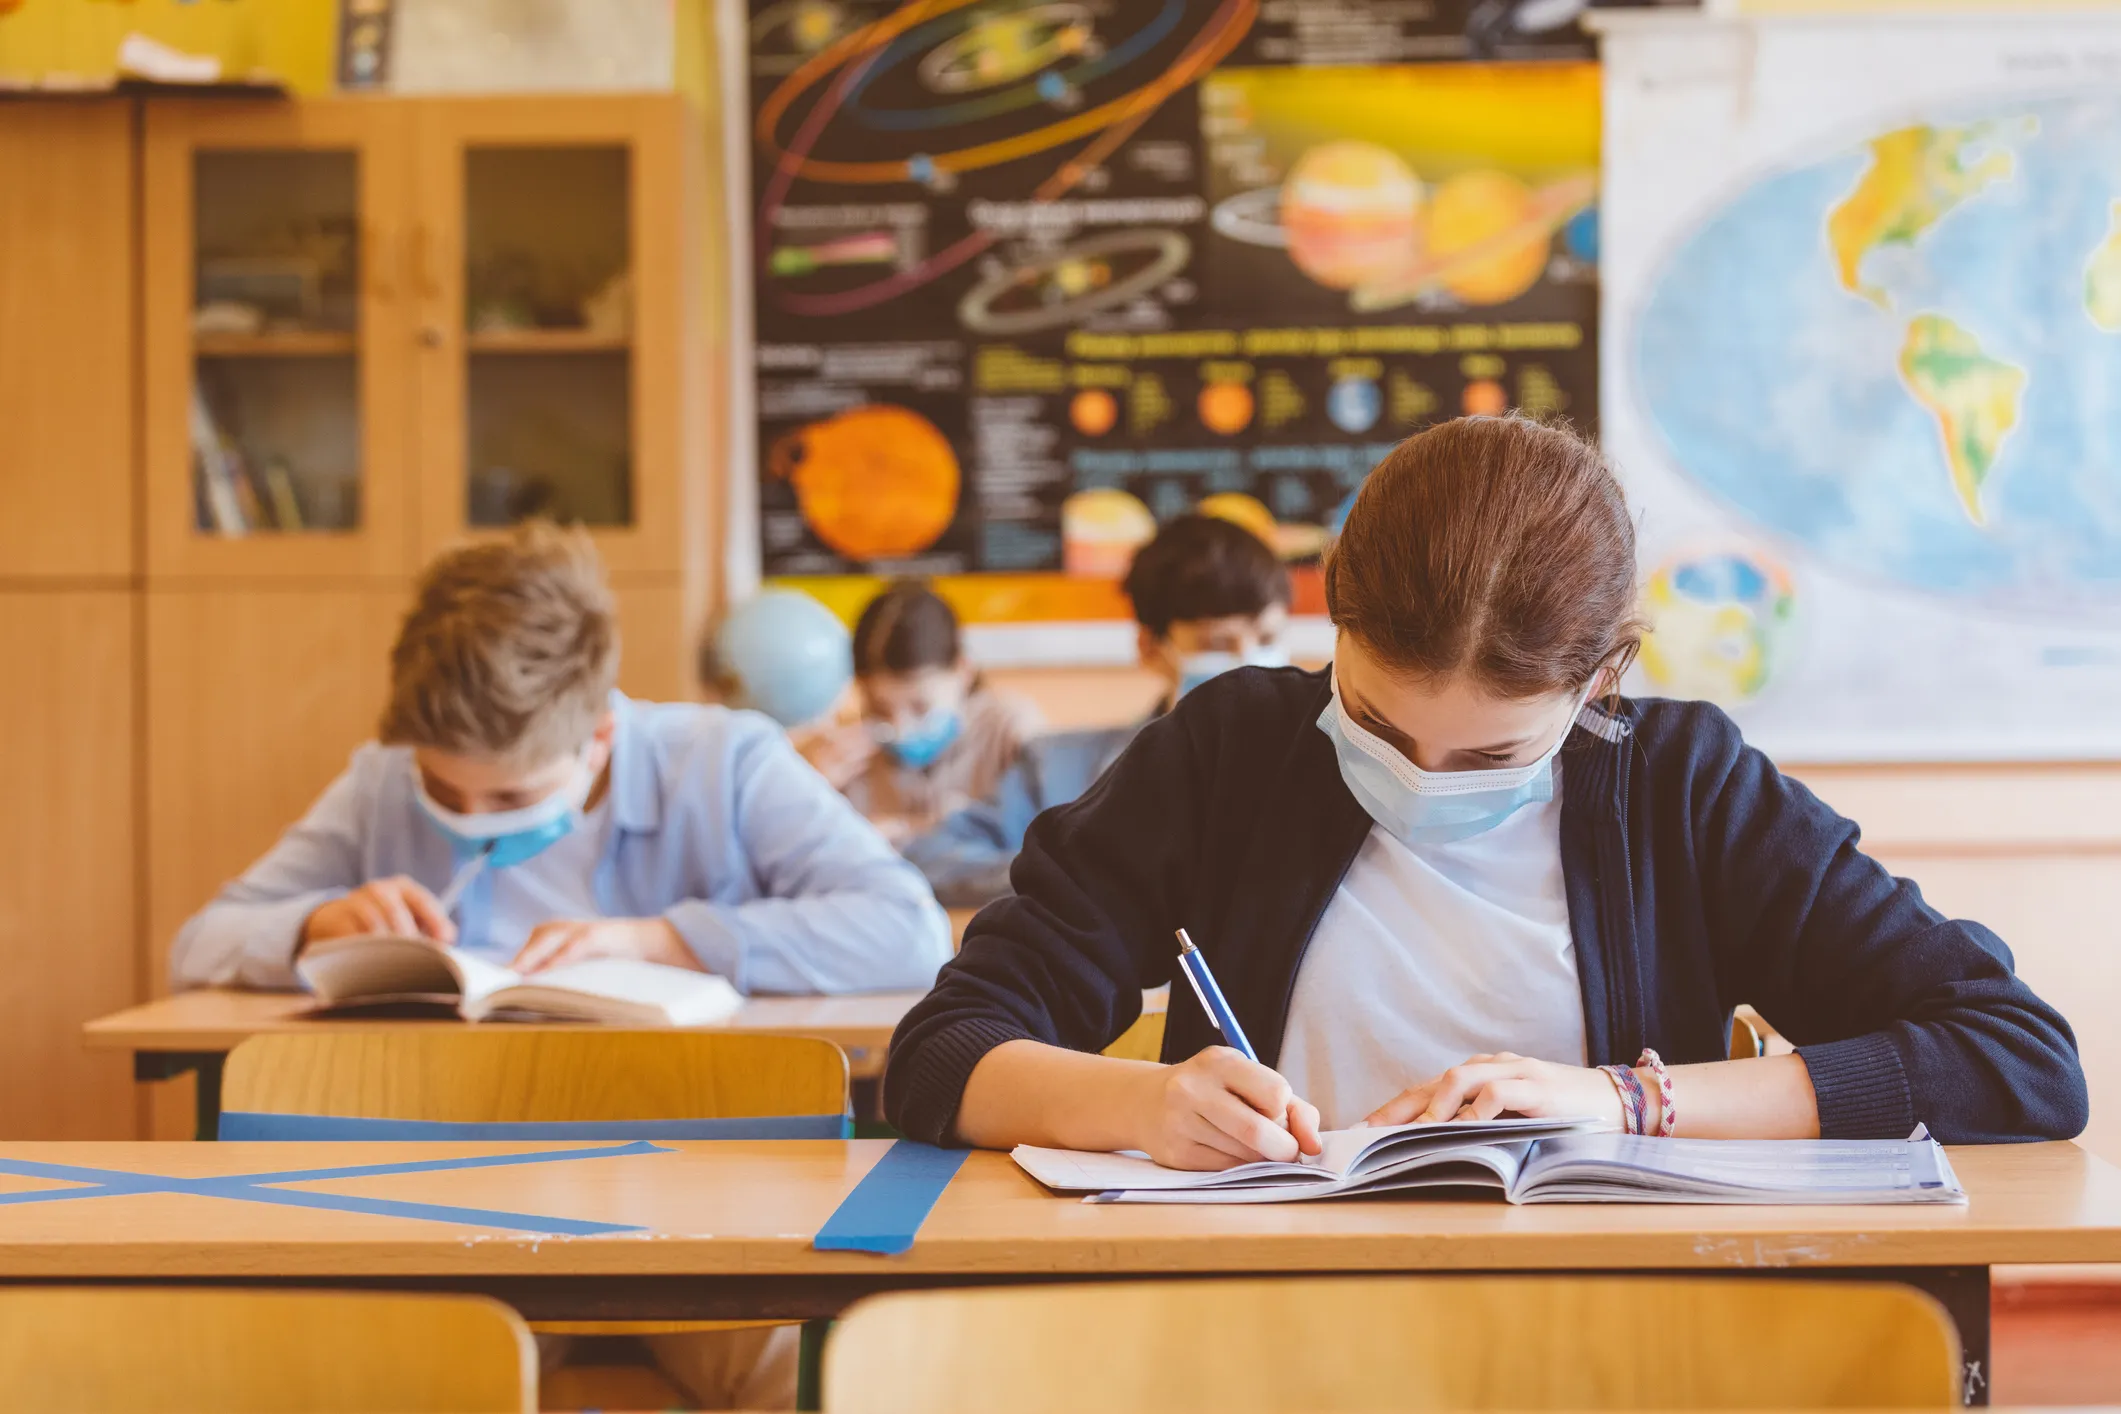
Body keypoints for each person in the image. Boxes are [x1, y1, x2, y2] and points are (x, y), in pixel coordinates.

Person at [885, 416, 2087, 1164]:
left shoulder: (1681, 783)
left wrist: (1628, 1103)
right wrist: (1138, 1105)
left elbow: (2017, 1057)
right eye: (1373, 722)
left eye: (1489, 758)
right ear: (1334, 616)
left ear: (1603, 679)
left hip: (1612, 1340)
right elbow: (943, 1053)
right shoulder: (1228, 751)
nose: (1417, 779)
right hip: (1256, 1328)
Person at [171, 522, 952, 996]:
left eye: (509, 800)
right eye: (442, 789)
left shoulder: (725, 762)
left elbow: (907, 932)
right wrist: (314, 924)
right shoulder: (381, 781)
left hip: (689, 1141)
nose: (468, 819)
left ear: (600, 738)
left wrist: (655, 942)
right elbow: (200, 943)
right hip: (433, 1137)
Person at [904, 515, 1292, 907]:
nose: (1250, 664)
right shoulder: (1055, 767)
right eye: (1217, 644)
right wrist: (1073, 875)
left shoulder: (1325, 760)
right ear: (1151, 648)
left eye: (1267, 638)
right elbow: (933, 858)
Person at [795, 579, 1042, 847]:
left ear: (963, 670)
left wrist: (907, 829)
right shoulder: (841, 756)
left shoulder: (1011, 730)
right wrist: (803, 788)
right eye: (879, 709)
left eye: (920, 707)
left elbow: (1042, 836)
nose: (901, 729)